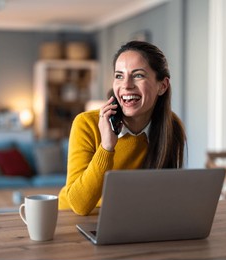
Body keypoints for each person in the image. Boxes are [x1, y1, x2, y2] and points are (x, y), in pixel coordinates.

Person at [58, 40, 187, 215]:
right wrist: (106, 146)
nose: (126, 85)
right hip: (72, 220)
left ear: (162, 86)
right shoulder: (86, 124)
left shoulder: (171, 126)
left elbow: (164, 194)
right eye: (119, 76)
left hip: (128, 218)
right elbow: (80, 205)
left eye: (138, 75)